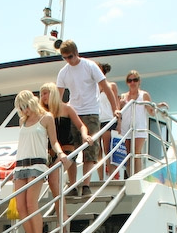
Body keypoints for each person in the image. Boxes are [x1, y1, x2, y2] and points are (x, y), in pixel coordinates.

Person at [56, 40, 120, 196]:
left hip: (91, 112)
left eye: (70, 57)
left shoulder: (90, 66)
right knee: (72, 150)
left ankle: (86, 185)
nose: (68, 60)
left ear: (76, 53)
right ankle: (72, 185)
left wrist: (115, 109)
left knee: (90, 149)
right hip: (73, 113)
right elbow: (57, 96)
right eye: (65, 58)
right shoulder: (63, 72)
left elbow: (106, 87)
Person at [13, 90, 71, 233]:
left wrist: (60, 153)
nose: (24, 110)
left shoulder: (46, 118)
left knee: (31, 204)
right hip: (20, 165)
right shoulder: (22, 121)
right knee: (20, 207)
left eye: (24, 106)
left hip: (37, 164)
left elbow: (54, 141)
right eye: (20, 108)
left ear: (31, 102)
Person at [39, 81, 87, 200]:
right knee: (52, 180)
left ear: (53, 93)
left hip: (68, 149)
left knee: (54, 176)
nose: (43, 97)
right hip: (51, 152)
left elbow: (81, 125)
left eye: (45, 93)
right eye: (41, 94)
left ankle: (61, 205)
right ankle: (61, 202)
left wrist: (85, 136)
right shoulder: (43, 113)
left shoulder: (66, 108)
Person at [119, 70, 166, 176]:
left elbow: (151, 112)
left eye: (135, 80)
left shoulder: (144, 95)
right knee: (128, 155)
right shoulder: (123, 96)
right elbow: (119, 111)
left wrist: (158, 106)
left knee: (136, 153)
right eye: (130, 80)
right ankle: (130, 177)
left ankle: (137, 177)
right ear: (127, 82)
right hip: (126, 128)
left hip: (139, 128)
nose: (132, 82)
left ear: (139, 81)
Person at [97, 62, 120, 179]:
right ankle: (101, 178)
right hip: (96, 120)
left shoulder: (111, 86)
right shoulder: (93, 87)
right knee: (97, 151)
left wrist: (119, 122)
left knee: (107, 149)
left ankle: (111, 176)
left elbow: (116, 104)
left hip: (108, 120)